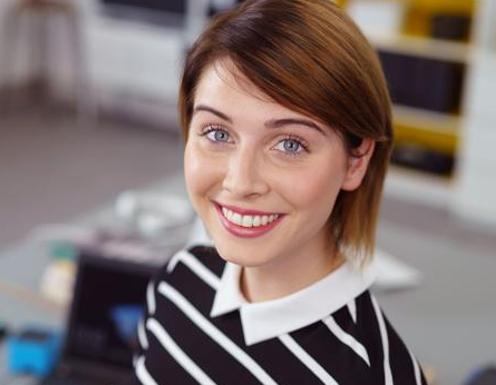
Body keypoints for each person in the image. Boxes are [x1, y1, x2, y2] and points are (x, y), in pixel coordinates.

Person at [133, 0, 427, 384]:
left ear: (355, 161)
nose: (240, 182)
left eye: (289, 144)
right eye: (217, 133)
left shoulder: (375, 375)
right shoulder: (180, 278)